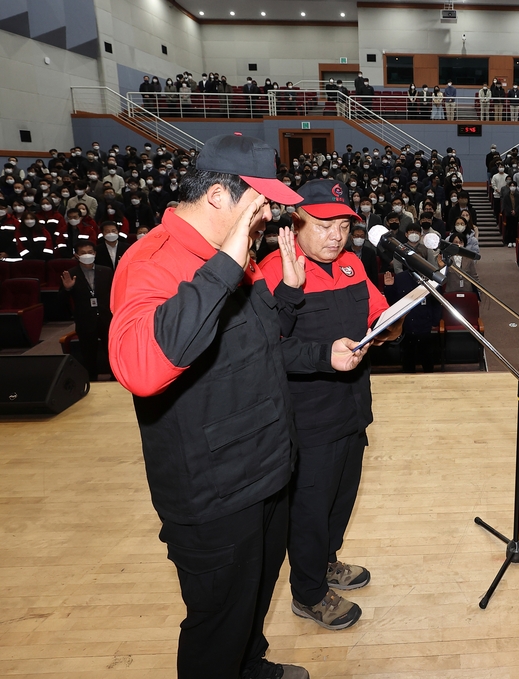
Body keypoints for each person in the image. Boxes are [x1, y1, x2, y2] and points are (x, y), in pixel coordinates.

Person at [108, 134, 367, 679]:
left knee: (252, 599)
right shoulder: (151, 261)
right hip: (213, 492)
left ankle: (248, 665)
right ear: (220, 198)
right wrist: (228, 263)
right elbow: (139, 368)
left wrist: (289, 295)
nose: (270, 216)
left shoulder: (238, 260)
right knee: (217, 621)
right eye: (261, 203)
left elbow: (258, 345)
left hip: (264, 473)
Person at [259, 180, 398, 632]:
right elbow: (265, 351)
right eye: (324, 225)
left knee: (340, 501)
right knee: (310, 510)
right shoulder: (270, 272)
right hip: (308, 420)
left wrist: (390, 327)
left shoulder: (353, 265)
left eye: (342, 225)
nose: (336, 236)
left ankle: (325, 562)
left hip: (353, 409)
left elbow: (377, 316)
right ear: (295, 223)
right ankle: (308, 592)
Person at [59, 241, 113, 380]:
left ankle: (116, 378)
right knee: (88, 354)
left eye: (90, 252)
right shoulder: (70, 274)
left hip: (107, 319)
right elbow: (61, 300)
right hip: (85, 320)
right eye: (83, 253)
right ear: (76, 255)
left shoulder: (106, 271)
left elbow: (114, 294)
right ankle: (91, 380)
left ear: (95, 253)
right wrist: (68, 288)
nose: (87, 255)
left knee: (112, 352)